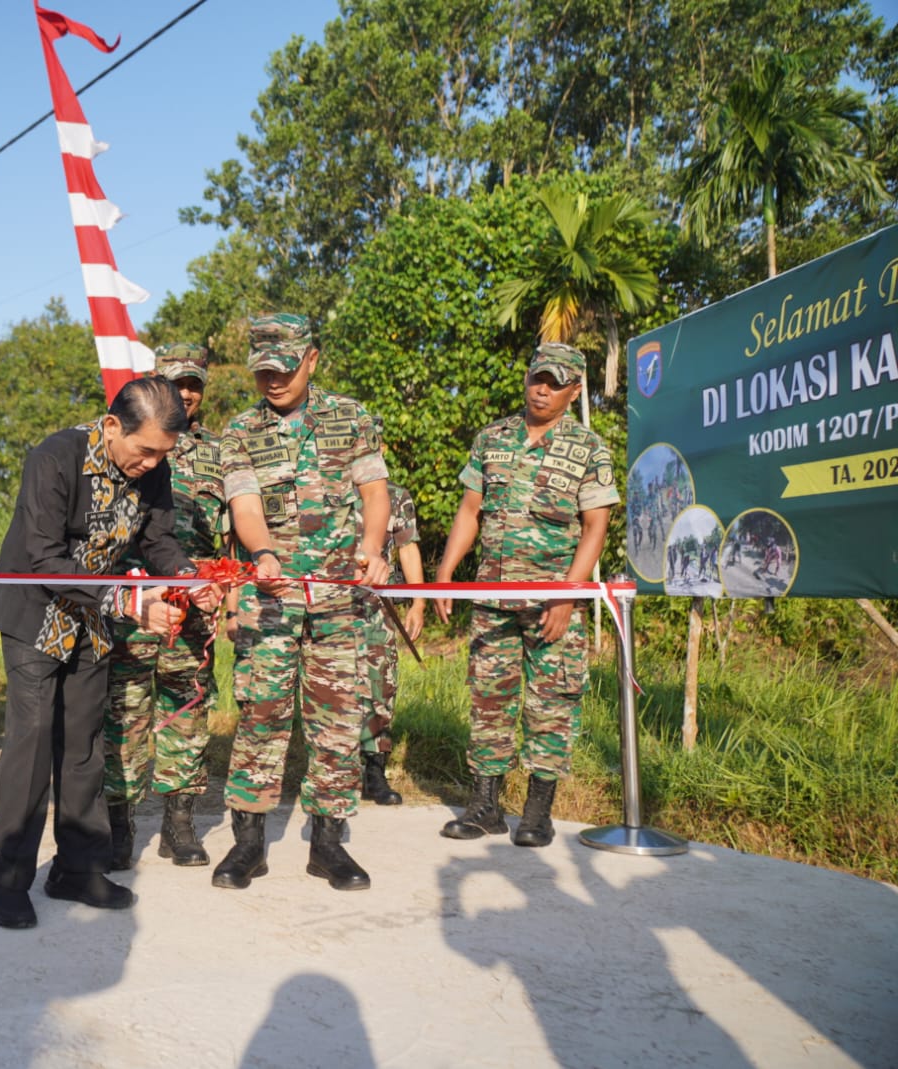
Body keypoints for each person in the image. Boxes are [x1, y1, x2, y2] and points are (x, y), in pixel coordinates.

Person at [0, 377, 223, 930]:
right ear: (113, 425)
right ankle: (9, 880)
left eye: (163, 454)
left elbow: (158, 541)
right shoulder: (54, 458)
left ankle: (78, 868)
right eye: (145, 451)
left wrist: (189, 580)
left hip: (92, 620)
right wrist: (128, 599)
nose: (152, 464)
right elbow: (42, 558)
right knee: (33, 742)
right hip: (34, 616)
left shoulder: (155, 465)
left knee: (87, 744)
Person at [214, 313, 391, 893]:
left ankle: (328, 845)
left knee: (337, 721)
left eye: (284, 368)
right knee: (262, 713)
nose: (274, 380)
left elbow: (374, 492)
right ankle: (248, 845)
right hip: (271, 598)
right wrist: (263, 552)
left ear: (311, 359)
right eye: (263, 371)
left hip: (339, 596)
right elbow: (244, 507)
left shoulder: (352, 417)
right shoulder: (239, 431)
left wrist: (371, 548)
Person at [434, 342, 616, 847]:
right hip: (492, 597)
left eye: (556, 382)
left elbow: (594, 528)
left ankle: (537, 813)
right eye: (539, 377)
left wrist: (567, 595)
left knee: (551, 703)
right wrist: (447, 572)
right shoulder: (492, 439)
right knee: (489, 701)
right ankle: (485, 807)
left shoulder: (589, 448)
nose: (543, 388)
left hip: (552, 601)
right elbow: (470, 511)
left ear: (574, 390)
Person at [102, 343, 227, 870]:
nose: (188, 392)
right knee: (123, 711)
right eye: (177, 382)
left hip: (191, 603)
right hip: (131, 600)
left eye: (195, 383)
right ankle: (119, 823)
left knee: (186, 708)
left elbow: (234, 529)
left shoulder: (223, 452)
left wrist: (228, 588)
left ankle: (180, 821)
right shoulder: (130, 438)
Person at [356, 478, 426, 806]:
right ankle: (332, 771)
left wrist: (418, 601)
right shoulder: (321, 487)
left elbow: (407, 546)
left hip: (375, 609)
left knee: (380, 686)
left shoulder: (395, 495)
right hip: (326, 608)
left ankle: (374, 771)